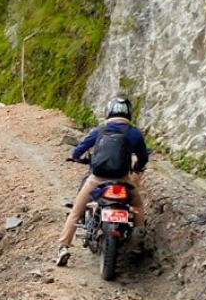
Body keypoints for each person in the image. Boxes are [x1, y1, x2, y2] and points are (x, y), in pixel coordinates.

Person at [56, 97, 149, 267]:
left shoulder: (99, 130)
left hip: (97, 179)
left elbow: (79, 149)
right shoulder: (134, 133)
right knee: (137, 207)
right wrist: (137, 167)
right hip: (123, 180)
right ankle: (138, 239)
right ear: (129, 113)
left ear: (109, 112)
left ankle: (63, 247)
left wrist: (76, 157)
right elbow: (144, 157)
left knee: (76, 212)